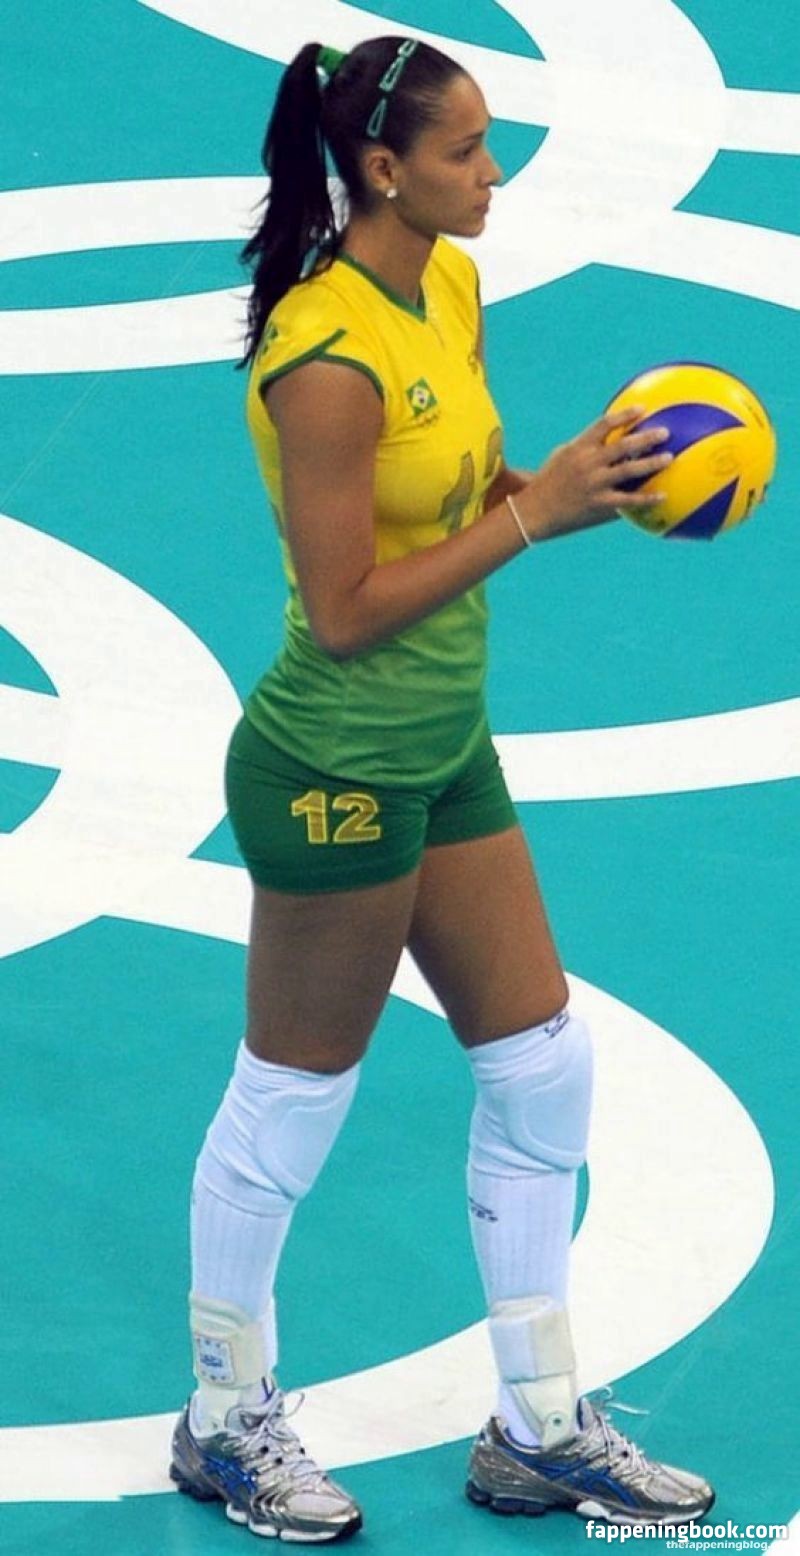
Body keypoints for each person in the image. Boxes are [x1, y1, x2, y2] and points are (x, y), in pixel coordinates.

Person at [169, 34, 714, 1544]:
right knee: (291, 1103)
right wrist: (535, 524)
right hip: (333, 767)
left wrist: (567, 478)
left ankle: (537, 1428)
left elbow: (458, 493)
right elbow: (346, 608)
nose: (496, 173)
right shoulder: (324, 364)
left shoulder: (448, 286)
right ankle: (221, 1420)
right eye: (468, 151)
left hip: (442, 743)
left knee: (542, 1067)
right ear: (384, 169)